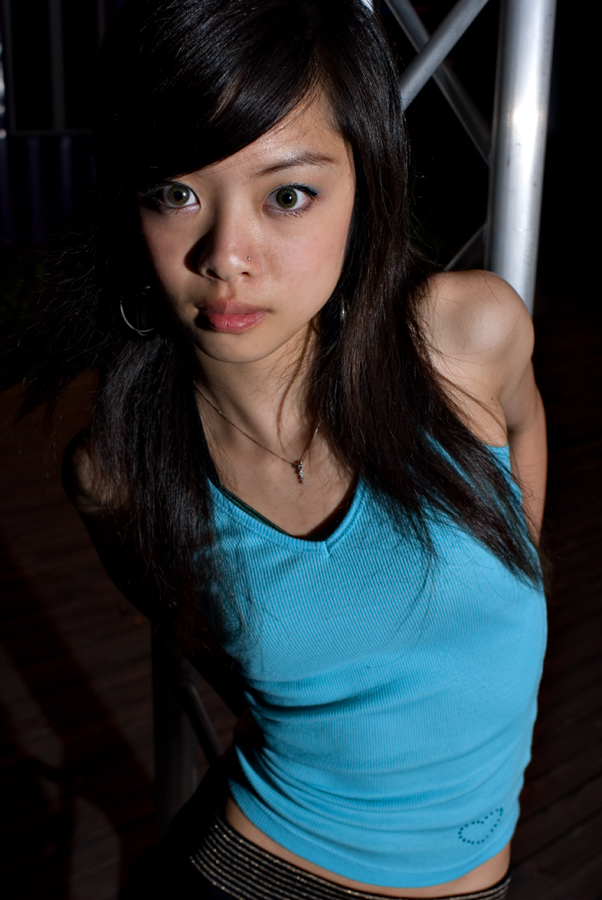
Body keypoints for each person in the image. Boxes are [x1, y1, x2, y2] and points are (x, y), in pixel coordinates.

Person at [2, 0, 547, 897]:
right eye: (175, 193)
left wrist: (511, 567)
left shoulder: (466, 338)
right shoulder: (119, 473)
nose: (226, 255)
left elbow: (521, 443)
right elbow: (216, 654)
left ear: (365, 186)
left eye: (288, 195)